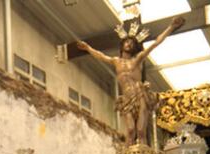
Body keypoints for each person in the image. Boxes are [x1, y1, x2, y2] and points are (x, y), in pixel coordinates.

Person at [77, 16, 184, 146]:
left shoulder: (137, 59)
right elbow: (101, 56)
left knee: (140, 131)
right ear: (122, 45)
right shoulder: (116, 61)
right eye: (127, 42)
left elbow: (155, 43)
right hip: (127, 100)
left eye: (132, 43)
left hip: (140, 96)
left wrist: (171, 27)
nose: (129, 44)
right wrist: (88, 48)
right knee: (130, 130)